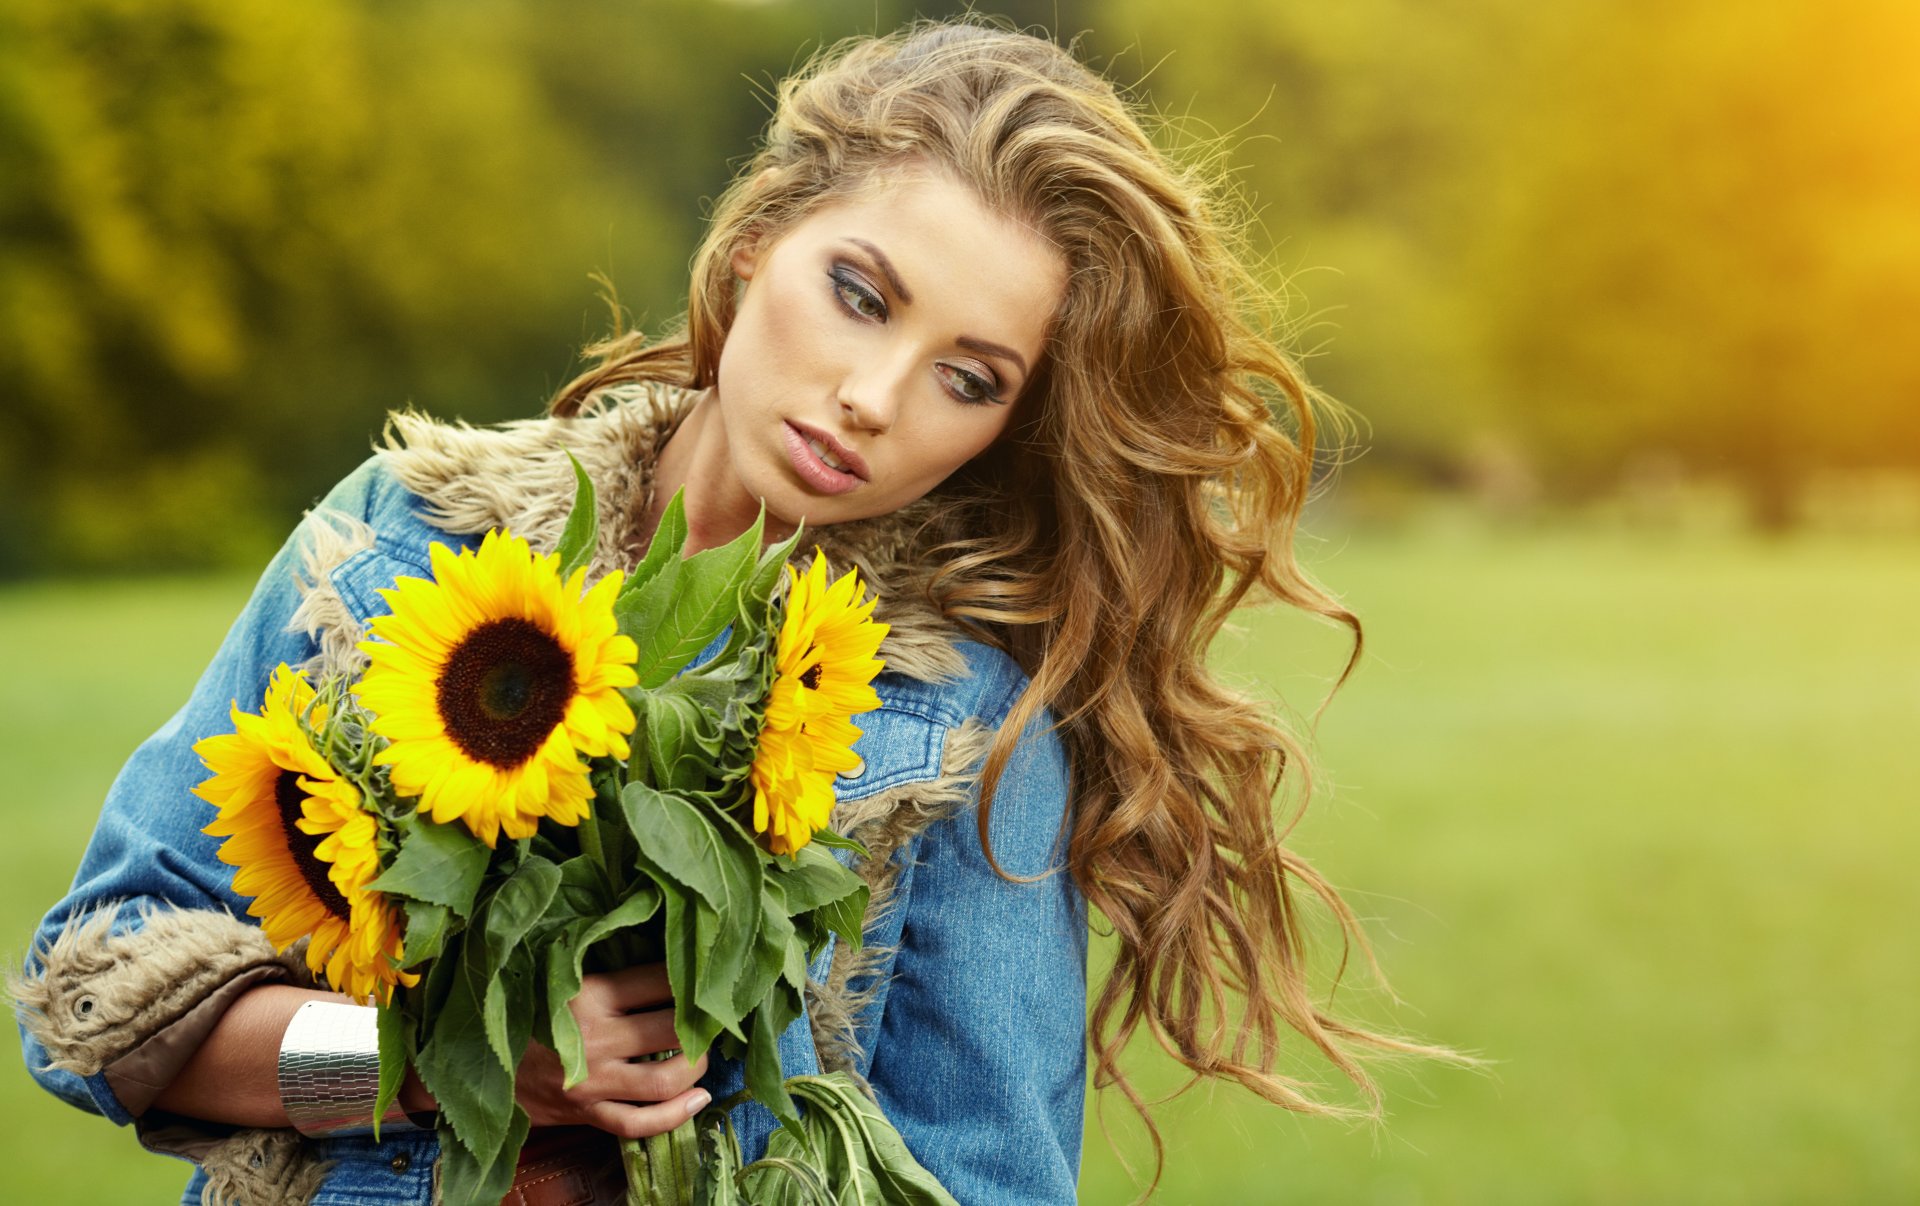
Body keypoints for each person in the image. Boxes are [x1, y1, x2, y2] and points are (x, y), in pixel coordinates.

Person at [14, 18, 1421, 1205]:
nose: (876, 396)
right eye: (861, 295)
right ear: (757, 241)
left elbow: (983, 1178)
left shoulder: (965, 735)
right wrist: (448, 1055)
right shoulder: (401, 539)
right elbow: (99, 996)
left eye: (971, 377)